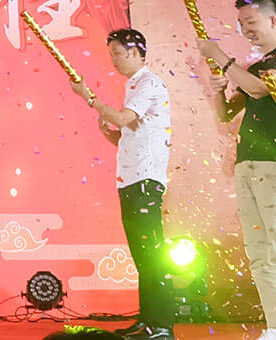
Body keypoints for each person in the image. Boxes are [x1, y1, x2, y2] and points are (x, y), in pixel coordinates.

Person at [199, 0, 276, 340]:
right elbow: (226, 114)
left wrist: (220, 56)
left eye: (251, 21)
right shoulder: (253, 68)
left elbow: (263, 89)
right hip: (247, 166)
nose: (246, 29)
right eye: (241, 23)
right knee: (260, 254)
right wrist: (218, 88)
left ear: (272, 19)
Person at [69, 28, 174, 340]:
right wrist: (111, 135)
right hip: (131, 179)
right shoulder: (135, 85)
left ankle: (161, 326)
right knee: (143, 256)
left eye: (117, 53)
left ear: (134, 52)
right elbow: (130, 133)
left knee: (151, 255)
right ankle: (147, 320)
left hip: (145, 181)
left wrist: (89, 98)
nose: (113, 60)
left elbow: (123, 117)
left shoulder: (150, 83)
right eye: (112, 54)